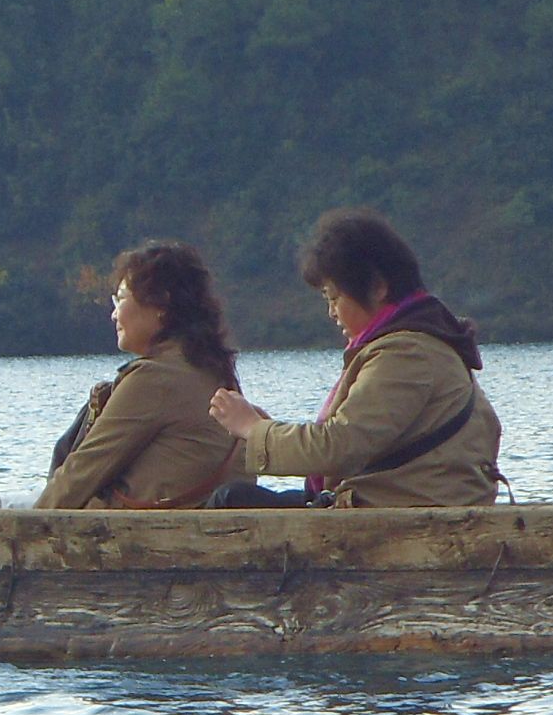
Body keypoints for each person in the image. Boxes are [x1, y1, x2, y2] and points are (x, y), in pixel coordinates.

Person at [206, 209, 502, 507]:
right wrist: (268, 431)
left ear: (377, 287)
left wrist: (252, 430)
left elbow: (339, 446)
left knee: (230, 500)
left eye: (333, 297)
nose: (331, 312)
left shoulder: (406, 353)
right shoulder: (423, 342)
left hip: (402, 513)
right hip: (404, 502)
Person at [36, 243, 244, 509]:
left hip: (153, 537)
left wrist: (22, 530)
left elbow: (82, 471)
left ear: (161, 304)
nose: (113, 314)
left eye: (120, 299)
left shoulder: (155, 378)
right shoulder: (214, 368)